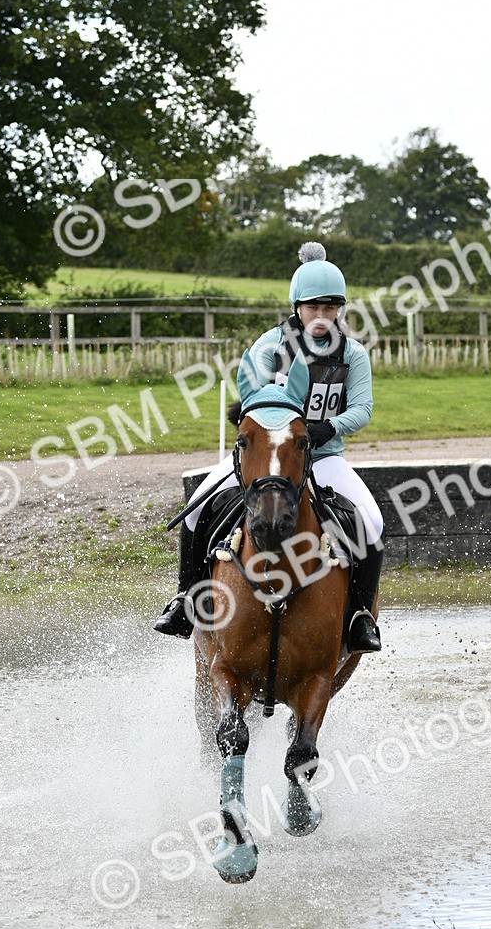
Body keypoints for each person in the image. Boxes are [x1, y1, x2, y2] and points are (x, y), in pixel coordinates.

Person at [154, 242, 384, 653]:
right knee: (196, 510)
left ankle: (360, 616)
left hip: (324, 456)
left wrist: (325, 428)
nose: (321, 317)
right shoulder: (269, 347)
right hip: (267, 455)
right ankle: (184, 600)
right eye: (313, 308)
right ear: (297, 307)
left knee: (373, 522)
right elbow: (253, 398)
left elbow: (362, 409)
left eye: (330, 308)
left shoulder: (353, 354)